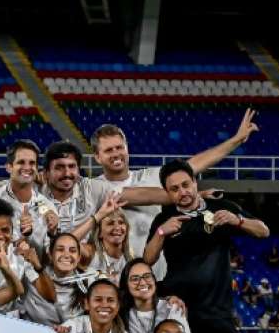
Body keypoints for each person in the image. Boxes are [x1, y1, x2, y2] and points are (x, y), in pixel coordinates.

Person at [145, 159, 269, 333]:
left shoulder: (221, 207)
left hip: (218, 313)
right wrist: (161, 233)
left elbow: (263, 230)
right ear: (168, 193)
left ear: (194, 182)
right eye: (175, 189)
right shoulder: (165, 217)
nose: (182, 192)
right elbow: (148, 258)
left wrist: (238, 221)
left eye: (185, 185)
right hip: (180, 315)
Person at [87, 113, 259, 280]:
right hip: (113, 280)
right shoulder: (91, 188)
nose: (116, 153)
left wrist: (236, 140)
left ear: (127, 148)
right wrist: (193, 195)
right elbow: (142, 195)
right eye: (109, 150)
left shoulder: (151, 177)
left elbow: (193, 164)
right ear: (97, 157)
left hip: (156, 278)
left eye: (120, 147)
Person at [119, 258, 191, 333]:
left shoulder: (173, 308)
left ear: (154, 280)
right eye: (135, 279)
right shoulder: (121, 312)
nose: (142, 282)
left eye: (147, 276)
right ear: (126, 285)